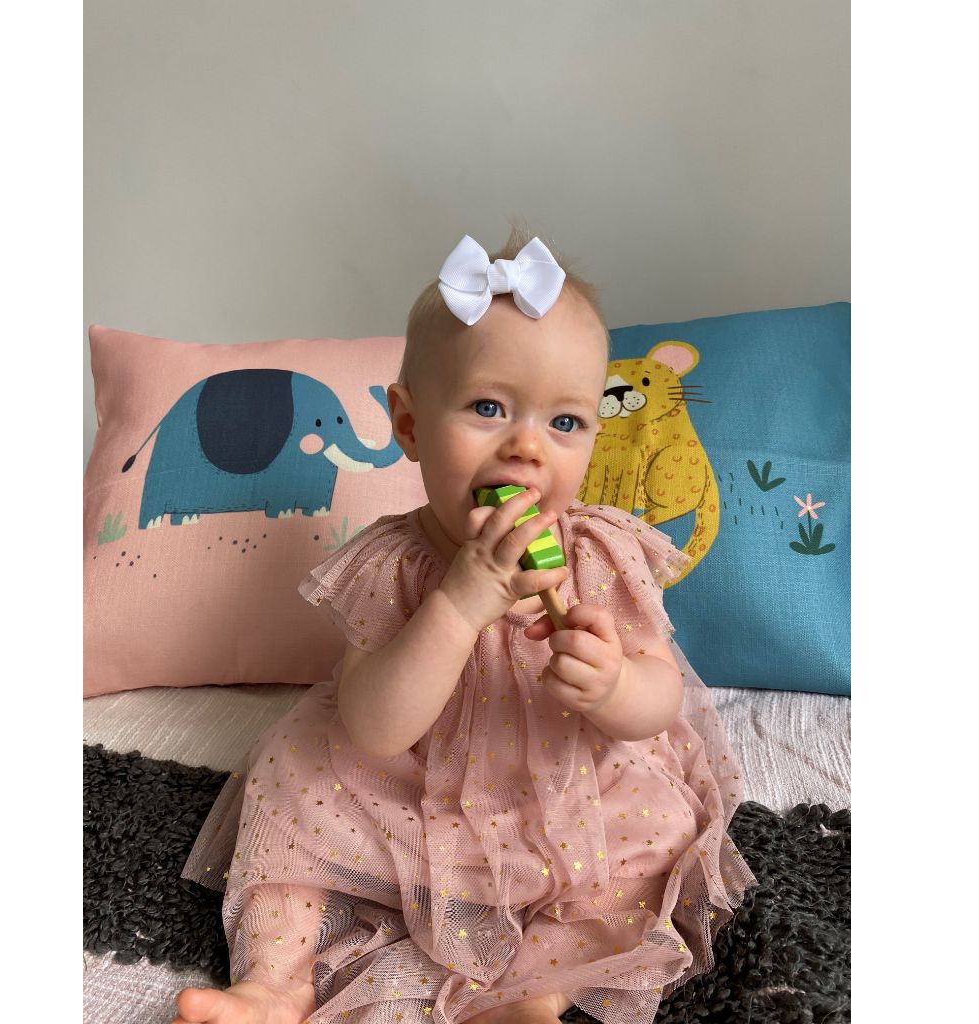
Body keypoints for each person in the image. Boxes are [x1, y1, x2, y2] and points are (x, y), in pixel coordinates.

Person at [174, 228, 755, 1024]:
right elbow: (374, 727)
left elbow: (661, 696)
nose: (527, 446)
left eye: (565, 423)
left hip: (570, 788)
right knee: (289, 787)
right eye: (488, 408)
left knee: (656, 847)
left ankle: (530, 994)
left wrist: (617, 684)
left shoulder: (599, 552)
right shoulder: (393, 562)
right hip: (411, 794)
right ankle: (274, 983)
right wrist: (457, 605)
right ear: (409, 426)